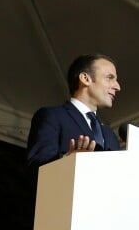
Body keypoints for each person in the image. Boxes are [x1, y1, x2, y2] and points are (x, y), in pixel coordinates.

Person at [26, 53, 122, 188]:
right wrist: (67, 162)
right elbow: (36, 168)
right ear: (85, 78)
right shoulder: (52, 116)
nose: (117, 86)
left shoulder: (109, 134)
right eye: (109, 78)